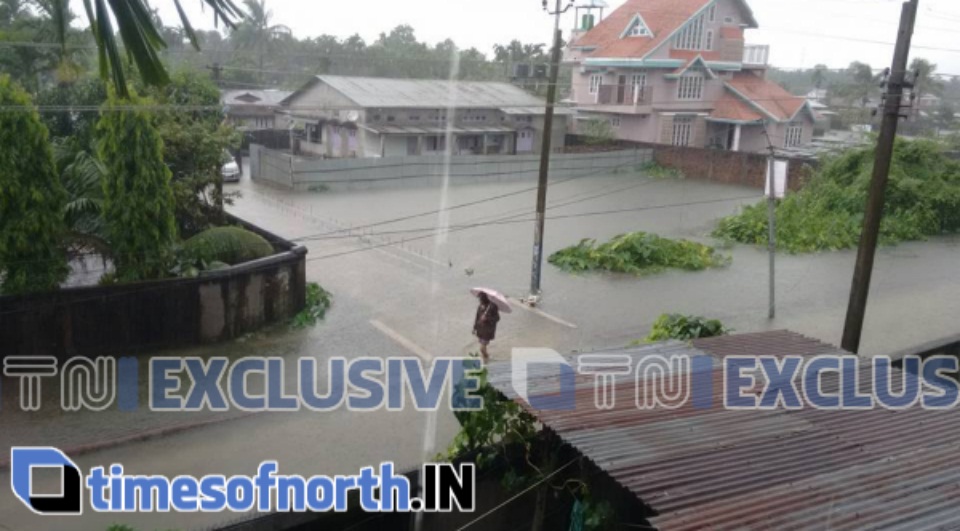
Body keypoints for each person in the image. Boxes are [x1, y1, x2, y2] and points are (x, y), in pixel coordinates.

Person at [473, 292, 500, 362]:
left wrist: (487, 318)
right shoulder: (480, 306)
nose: (479, 300)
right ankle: (486, 358)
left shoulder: (493, 306)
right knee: (483, 347)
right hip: (480, 329)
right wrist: (474, 327)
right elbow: (477, 317)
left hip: (488, 330)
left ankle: (487, 359)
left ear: (485, 298)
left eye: (481, 299)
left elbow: (497, 318)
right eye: (479, 299)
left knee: (481, 348)